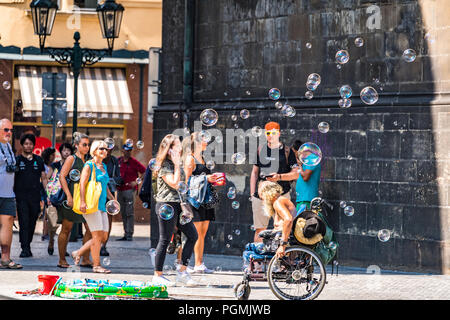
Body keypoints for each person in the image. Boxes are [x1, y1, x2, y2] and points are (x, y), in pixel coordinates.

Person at [152, 134, 198, 287]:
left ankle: (182, 272)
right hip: (166, 205)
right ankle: (157, 275)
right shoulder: (164, 164)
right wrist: (178, 165)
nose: (180, 148)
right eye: (176, 145)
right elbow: (174, 183)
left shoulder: (176, 162)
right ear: (169, 149)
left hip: (178, 205)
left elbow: (183, 183)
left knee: (192, 235)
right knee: (165, 239)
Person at [71, 140, 115, 274]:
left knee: (104, 236)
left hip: (101, 205)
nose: (104, 151)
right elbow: (82, 184)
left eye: (106, 149)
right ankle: (97, 265)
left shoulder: (104, 166)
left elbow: (105, 186)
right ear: (94, 150)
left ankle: (78, 252)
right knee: (97, 236)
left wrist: (113, 199)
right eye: (101, 148)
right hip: (91, 204)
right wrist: (83, 202)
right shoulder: (89, 165)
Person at [250, 121, 298, 242]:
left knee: (282, 228)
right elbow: (254, 172)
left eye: (273, 133)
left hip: (281, 195)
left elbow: (296, 174)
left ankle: (278, 259)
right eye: (268, 133)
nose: (270, 135)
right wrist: (252, 194)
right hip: (261, 197)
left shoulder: (287, 151)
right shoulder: (261, 149)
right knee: (260, 230)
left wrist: (279, 177)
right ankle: (257, 260)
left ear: (279, 133)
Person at [181, 132, 217, 274]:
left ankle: (199, 263)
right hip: (194, 200)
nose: (206, 141)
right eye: (204, 139)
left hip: (205, 199)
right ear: (196, 142)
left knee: (202, 233)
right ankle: (186, 263)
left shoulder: (203, 157)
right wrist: (207, 178)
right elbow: (186, 182)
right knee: (195, 233)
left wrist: (213, 179)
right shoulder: (190, 159)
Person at [57, 134, 93, 269]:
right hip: (72, 197)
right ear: (76, 145)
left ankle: (85, 258)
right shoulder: (72, 159)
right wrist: (68, 196)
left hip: (86, 199)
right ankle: (61, 260)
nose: (87, 147)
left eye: (88, 144)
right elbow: (62, 176)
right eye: (84, 144)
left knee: (90, 229)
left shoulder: (90, 160)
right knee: (66, 228)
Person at [14, 134, 49, 258]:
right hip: (21, 196)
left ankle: (27, 244)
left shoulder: (38, 160)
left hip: (35, 196)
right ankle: (25, 248)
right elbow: (12, 178)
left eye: (30, 144)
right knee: (23, 222)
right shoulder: (17, 160)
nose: (28, 146)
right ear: (22, 145)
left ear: (34, 145)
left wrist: (48, 194)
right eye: (26, 143)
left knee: (32, 222)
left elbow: (44, 177)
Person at [0, 119, 22, 269]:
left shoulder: (8, 146)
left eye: (11, 130)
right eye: (6, 130)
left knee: (7, 225)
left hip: (8, 194)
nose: (9, 133)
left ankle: (6, 258)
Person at [45, 143, 74, 255]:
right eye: (64, 150)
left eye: (68, 150)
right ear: (60, 152)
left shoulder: (73, 166)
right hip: (56, 196)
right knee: (53, 224)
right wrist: (47, 195)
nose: (66, 152)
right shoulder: (55, 165)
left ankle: (64, 248)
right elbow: (47, 179)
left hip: (68, 197)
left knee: (67, 225)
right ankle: (51, 240)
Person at [116, 143, 146, 241]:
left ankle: (129, 234)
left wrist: (136, 181)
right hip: (120, 189)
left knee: (129, 212)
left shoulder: (133, 162)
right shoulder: (118, 161)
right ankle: (126, 233)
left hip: (130, 190)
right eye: (126, 150)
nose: (128, 152)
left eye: (130, 150)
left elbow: (145, 171)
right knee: (123, 212)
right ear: (122, 150)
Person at [257, 181, 294, 258]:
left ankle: (258, 268)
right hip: (281, 237)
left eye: (262, 196)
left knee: (250, 248)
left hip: (284, 240)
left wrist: (283, 245)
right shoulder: (278, 201)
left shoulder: (278, 202)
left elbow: (288, 219)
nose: (262, 199)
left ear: (267, 193)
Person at [101, 143, 122, 256]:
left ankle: (104, 245)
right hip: (98, 194)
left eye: (109, 148)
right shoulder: (96, 161)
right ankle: (96, 244)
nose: (107, 150)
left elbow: (119, 177)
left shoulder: (114, 161)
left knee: (108, 220)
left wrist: (111, 180)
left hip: (109, 192)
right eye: (104, 148)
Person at [295, 142, 322, 210]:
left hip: (307, 198)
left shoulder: (311, 159)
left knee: (302, 220)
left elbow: (305, 177)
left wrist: (300, 165)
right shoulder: (307, 160)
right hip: (303, 198)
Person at [41, 147, 56, 242]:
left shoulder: (52, 166)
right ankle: (45, 233)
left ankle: (46, 232)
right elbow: (44, 178)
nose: (54, 157)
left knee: (47, 213)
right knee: (46, 213)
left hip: (50, 190)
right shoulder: (44, 166)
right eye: (52, 155)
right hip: (44, 190)